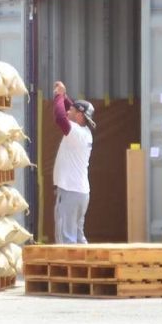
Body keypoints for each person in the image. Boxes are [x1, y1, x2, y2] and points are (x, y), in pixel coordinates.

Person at [52, 81, 96, 244]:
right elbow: (74, 109)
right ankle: (86, 268)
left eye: (72, 109)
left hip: (70, 191)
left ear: (79, 115)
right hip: (81, 193)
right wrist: (64, 95)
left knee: (66, 239)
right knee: (78, 237)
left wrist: (58, 96)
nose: (68, 109)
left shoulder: (75, 132)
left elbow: (59, 117)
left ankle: (66, 269)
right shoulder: (85, 132)